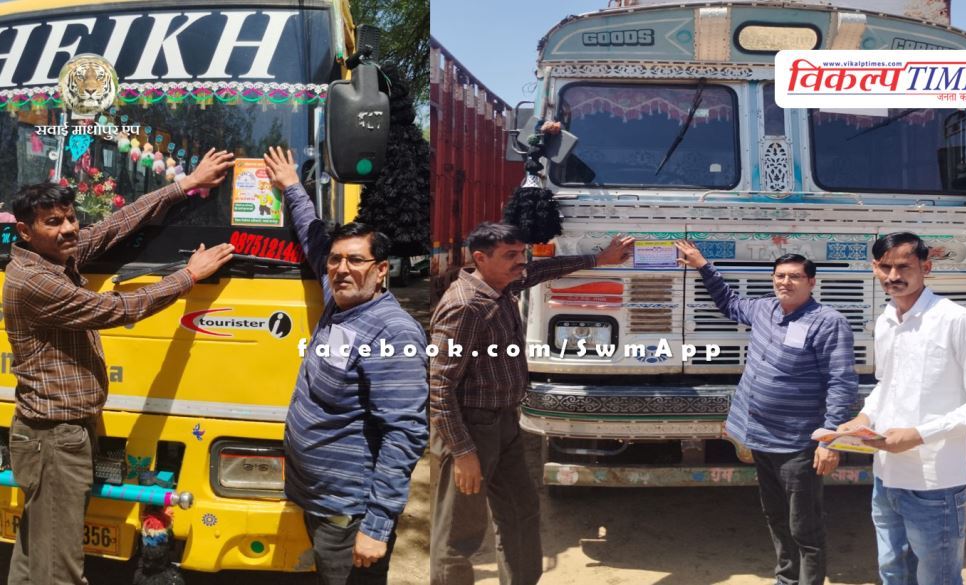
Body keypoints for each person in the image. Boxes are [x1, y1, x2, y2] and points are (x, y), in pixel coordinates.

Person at [4, 149, 236, 585]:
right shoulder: (35, 280)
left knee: (36, 548)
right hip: (54, 438)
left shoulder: (53, 258)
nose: (70, 228)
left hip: (55, 433)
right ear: (25, 231)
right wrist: (188, 276)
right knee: (60, 569)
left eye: (70, 217)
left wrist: (184, 185)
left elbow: (112, 226)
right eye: (53, 222)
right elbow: (118, 307)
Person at [429, 222, 633, 585]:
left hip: (505, 425)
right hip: (470, 431)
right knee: (458, 533)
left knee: (521, 512)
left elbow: (541, 269)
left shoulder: (501, 284)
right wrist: (462, 453)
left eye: (521, 253)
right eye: (510, 255)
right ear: (480, 258)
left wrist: (599, 259)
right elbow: (440, 388)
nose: (521, 261)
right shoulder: (465, 306)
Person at [264, 146, 428, 584]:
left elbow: (406, 433)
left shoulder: (392, 332)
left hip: (348, 514)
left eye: (355, 260)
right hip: (320, 502)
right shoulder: (341, 302)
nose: (340, 268)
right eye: (337, 261)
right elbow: (314, 238)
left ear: (381, 271)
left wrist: (376, 527)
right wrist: (293, 188)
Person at [676, 240, 857, 585]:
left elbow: (841, 383)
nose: (785, 283)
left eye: (794, 277)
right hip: (761, 437)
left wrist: (829, 440)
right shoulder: (764, 309)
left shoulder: (828, 323)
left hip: (798, 443)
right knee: (776, 517)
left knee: (804, 524)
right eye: (779, 276)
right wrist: (702, 264)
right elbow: (728, 302)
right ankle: (786, 579)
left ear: (811, 282)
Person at [837, 232, 966, 585]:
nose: (893, 275)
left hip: (935, 484)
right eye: (885, 267)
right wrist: (863, 418)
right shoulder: (886, 321)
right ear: (874, 268)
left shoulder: (959, 321)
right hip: (885, 478)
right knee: (893, 572)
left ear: (926, 267)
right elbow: (886, 384)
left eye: (903, 266)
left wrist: (918, 435)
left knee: (937, 579)